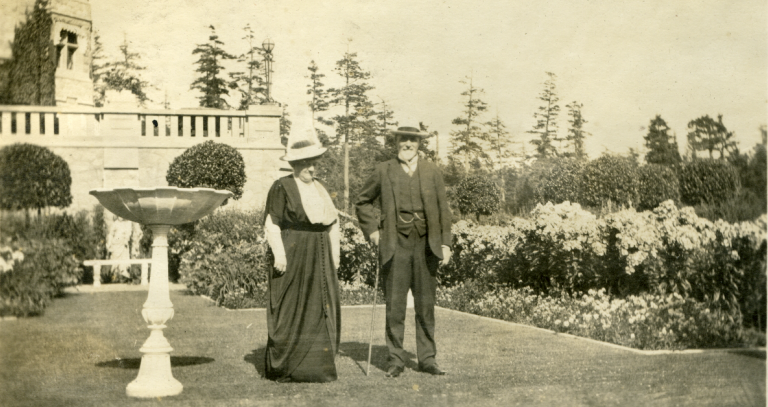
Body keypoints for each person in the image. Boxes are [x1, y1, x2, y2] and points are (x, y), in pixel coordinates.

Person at [355, 125, 452, 378]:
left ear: (419, 144)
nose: (407, 143)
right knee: (395, 306)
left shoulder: (432, 171)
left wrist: (445, 244)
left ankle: (428, 359)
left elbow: (444, 210)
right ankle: (396, 360)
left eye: (412, 140)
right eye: (403, 139)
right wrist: (373, 231)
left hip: (426, 247)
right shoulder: (383, 170)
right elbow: (362, 202)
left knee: (425, 306)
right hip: (395, 246)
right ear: (396, 142)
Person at [263, 127, 341, 383]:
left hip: (319, 255)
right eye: (305, 164)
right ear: (294, 164)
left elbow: (332, 222)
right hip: (293, 253)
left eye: (313, 163)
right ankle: (287, 366)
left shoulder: (321, 187)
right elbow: (271, 222)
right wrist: (279, 255)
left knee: (319, 306)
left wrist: (335, 255)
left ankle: (316, 368)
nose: (311, 168)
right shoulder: (281, 186)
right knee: (290, 306)